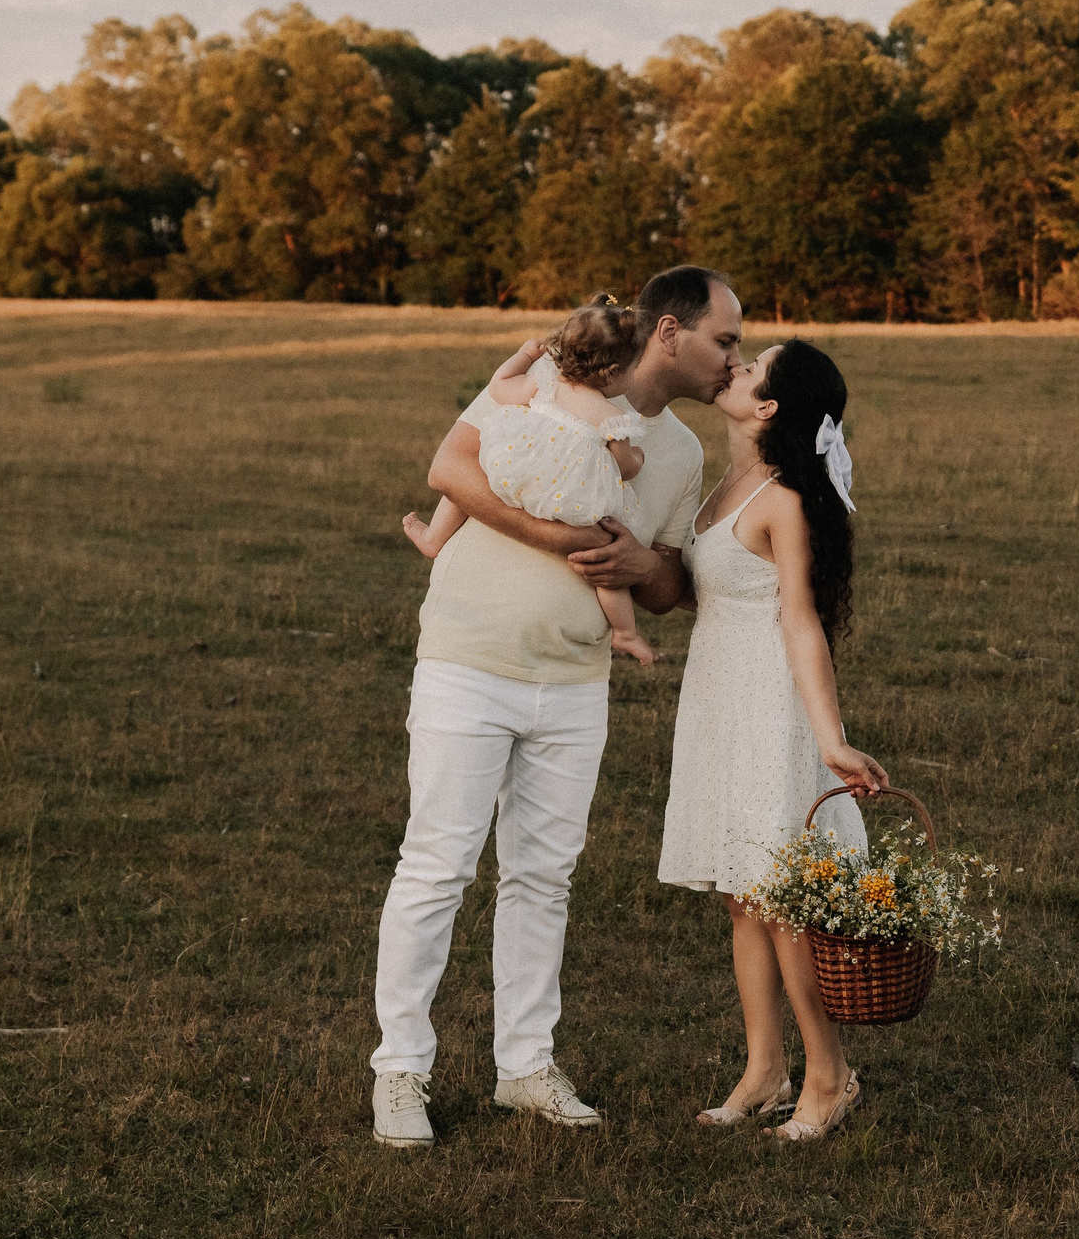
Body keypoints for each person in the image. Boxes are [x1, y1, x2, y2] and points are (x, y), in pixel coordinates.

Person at [369, 267, 746, 1148]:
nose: (732, 358)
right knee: (437, 868)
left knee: (544, 879)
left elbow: (667, 584)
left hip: (577, 682)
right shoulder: (558, 369)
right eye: (723, 339)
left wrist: (637, 569)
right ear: (667, 333)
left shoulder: (682, 453)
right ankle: (400, 1071)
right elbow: (449, 467)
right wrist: (562, 537)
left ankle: (526, 1065)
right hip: (470, 657)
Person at [657, 339, 886, 1143]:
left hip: (769, 706)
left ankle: (829, 1075)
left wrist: (831, 740)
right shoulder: (725, 483)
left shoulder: (783, 499)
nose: (738, 363)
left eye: (754, 365)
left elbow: (800, 618)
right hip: (716, 698)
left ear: (768, 409)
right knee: (740, 892)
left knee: (783, 901)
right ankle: (764, 1069)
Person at [403, 302, 657, 666]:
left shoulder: (546, 382)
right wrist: (639, 458)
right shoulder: (613, 416)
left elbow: (500, 387)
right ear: (614, 373)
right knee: (604, 562)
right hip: (566, 494)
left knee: (473, 482)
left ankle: (433, 538)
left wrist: (523, 355)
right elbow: (625, 467)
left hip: (520, 466)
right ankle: (626, 632)